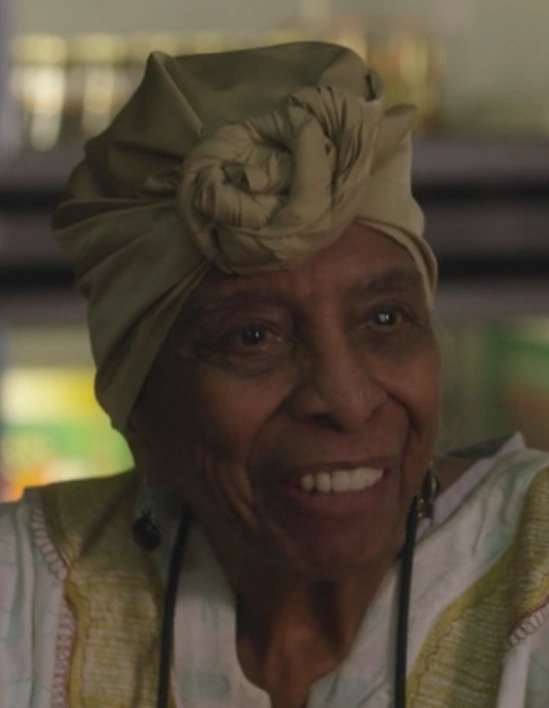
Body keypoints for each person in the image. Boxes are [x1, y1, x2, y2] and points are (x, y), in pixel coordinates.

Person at [0, 41, 548, 708]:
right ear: (140, 414)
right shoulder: (25, 597)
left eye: (385, 319)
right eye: (253, 337)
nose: (346, 400)